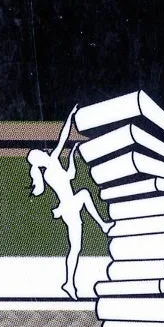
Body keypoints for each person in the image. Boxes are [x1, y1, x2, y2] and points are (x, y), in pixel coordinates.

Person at [26, 111, 102, 298]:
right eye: (40, 153)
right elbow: (63, 136)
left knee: (75, 248)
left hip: (70, 208)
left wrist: (72, 155)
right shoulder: (50, 166)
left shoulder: (52, 167)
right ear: (39, 159)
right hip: (69, 205)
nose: (44, 151)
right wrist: (70, 116)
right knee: (84, 194)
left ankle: (69, 283)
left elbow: (70, 176)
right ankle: (104, 224)